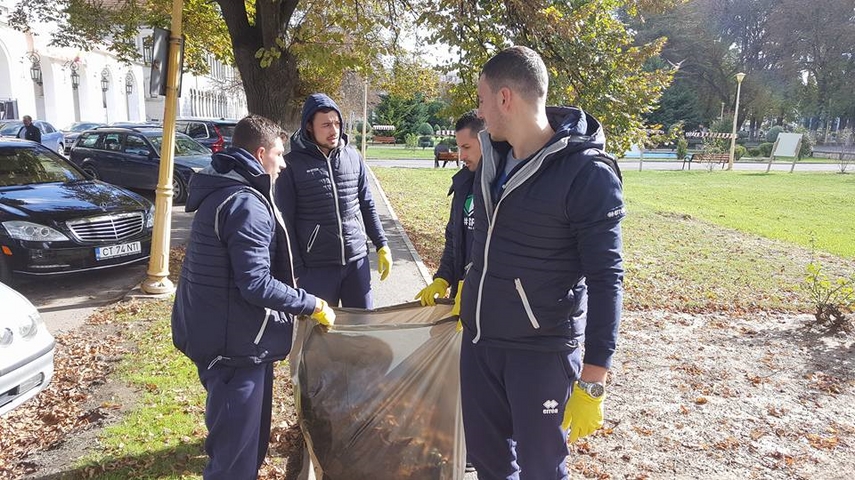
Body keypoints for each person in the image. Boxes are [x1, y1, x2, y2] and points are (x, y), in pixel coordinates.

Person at [458, 46, 625, 479]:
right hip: (480, 343)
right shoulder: (491, 158)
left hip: (540, 351)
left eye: (481, 99)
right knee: (490, 463)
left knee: (540, 469)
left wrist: (594, 378)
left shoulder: (587, 173)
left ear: (505, 98)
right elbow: (479, 240)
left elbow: (607, 278)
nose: (478, 111)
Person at [171, 114, 335, 479]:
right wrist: (311, 303)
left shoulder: (229, 191)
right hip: (234, 349)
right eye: (279, 153)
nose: (284, 162)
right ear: (262, 154)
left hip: (231, 338)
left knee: (247, 449)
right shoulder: (245, 204)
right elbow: (256, 284)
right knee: (234, 459)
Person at [276, 93, 392, 309]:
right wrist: (297, 270)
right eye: (326, 124)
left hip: (356, 262)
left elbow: (367, 203)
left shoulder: (353, 156)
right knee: (319, 336)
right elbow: (285, 222)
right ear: (309, 126)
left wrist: (381, 243)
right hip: (316, 268)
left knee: (360, 331)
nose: (334, 130)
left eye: (337, 123)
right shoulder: (291, 166)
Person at [416, 111, 485, 307]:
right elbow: (453, 239)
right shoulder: (463, 184)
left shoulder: (502, 187)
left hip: (487, 302)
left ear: (486, 142)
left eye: (466, 147)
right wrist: (442, 278)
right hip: (460, 298)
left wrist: (475, 286)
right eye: (459, 148)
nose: (461, 156)